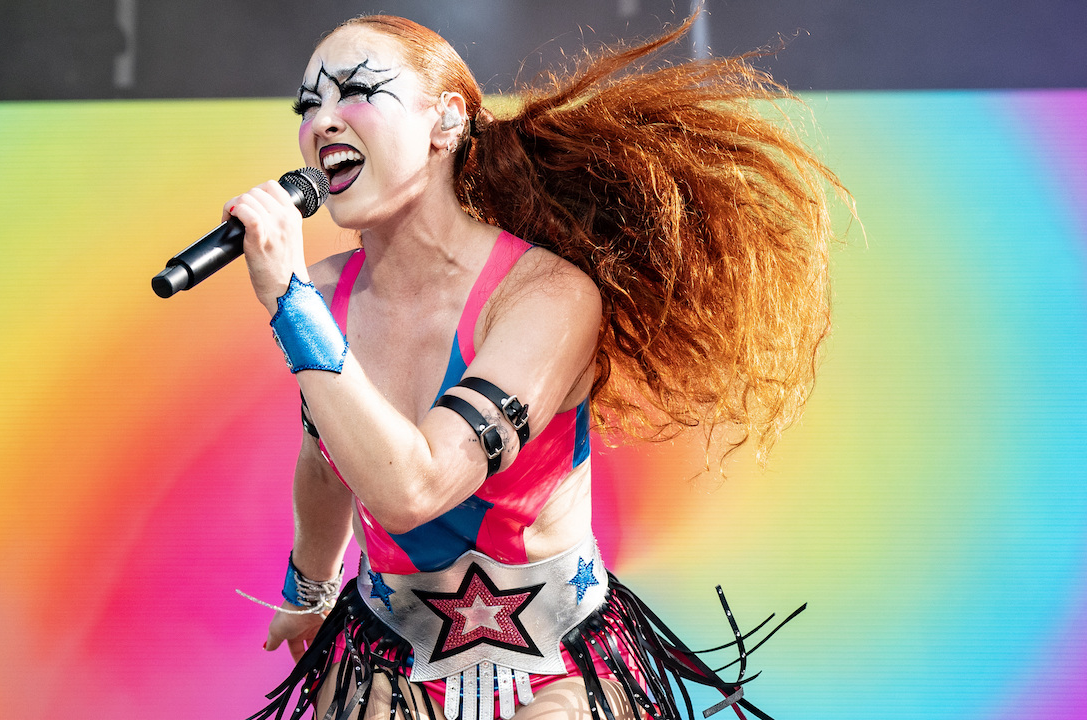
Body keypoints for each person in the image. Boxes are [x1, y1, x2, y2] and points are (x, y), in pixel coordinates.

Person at [225, 13, 839, 720]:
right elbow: (329, 456)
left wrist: (287, 301)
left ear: (446, 121)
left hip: (555, 667)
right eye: (309, 106)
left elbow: (414, 488)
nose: (322, 122)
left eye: (355, 92)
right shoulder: (324, 293)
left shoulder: (547, 295)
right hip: (387, 654)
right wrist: (310, 594)